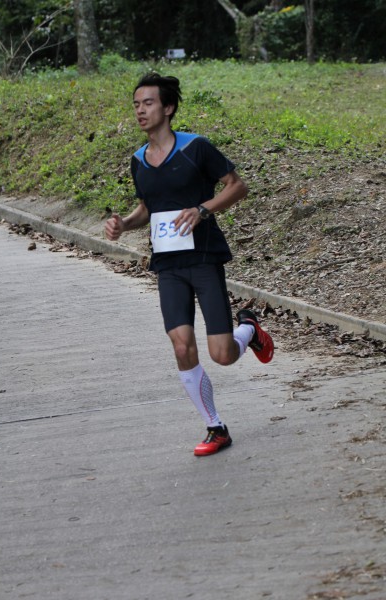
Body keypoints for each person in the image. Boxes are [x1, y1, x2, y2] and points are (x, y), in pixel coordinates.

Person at [106, 73, 274, 457]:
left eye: (148, 103)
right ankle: (216, 427)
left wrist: (202, 209)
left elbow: (237, 186)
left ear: (168, 107)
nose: (140, 110)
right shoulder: (138, 160)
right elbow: (147, 208)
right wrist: (124, 224)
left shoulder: (196, 148)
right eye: (136, 104)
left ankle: (249, 329)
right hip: (167, 265)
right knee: (182, 346)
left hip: (203, 258)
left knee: (222, 354)